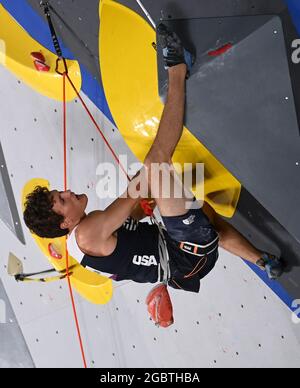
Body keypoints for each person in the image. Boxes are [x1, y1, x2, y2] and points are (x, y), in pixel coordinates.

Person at [23, 24, 284, 292]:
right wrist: (150, 180)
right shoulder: (87, 234)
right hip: (187, 252)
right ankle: (178, 70)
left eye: (59, 192)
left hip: (188, 262)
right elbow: (136, 191)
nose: (67, 192)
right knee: (156, 163)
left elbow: (131, 220)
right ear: (65, 222)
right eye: (61, 200)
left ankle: (264, 262)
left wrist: (147, 196)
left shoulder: (84, 239)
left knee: (202, 213)